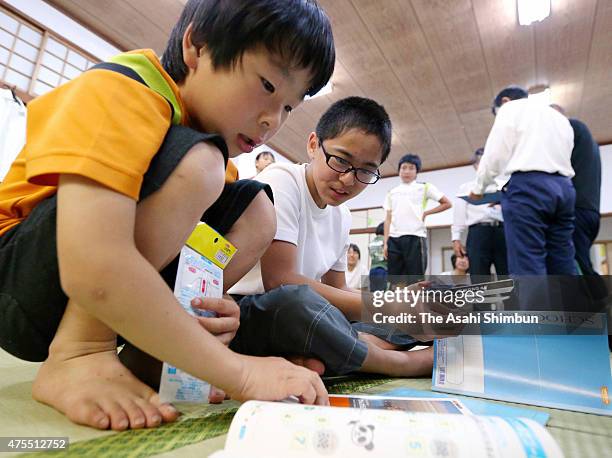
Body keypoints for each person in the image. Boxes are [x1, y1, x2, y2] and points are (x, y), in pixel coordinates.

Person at [0, 0, 335, 430]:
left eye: (290, 107)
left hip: (91, 293)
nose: (273, 120)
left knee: (256, 210)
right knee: (202, 166)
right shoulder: (122, 88)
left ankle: (149, 355)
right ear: (197, 46)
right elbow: (93, 263)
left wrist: (203, 311)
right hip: (18, 283)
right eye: (269, 85)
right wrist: (241, 374)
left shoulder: (201, 153)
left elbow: (179, 245)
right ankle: (80, 351)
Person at [230, 97, 435, 378]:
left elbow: (339, 288)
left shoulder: (342, 215)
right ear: (313, 145)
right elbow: (279, 280)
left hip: (310, 319)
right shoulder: (282, 179)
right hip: (260, 310)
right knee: (295, 303)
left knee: (428, 310)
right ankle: (395, 362)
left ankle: (342, 349)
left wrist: (394, 301)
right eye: (341, 160)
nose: (349, 180)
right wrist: (385, 307)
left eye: (365, 171)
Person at [470, 86, 575, 275]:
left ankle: (534, 306)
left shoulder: (510, 109)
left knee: (527, 263)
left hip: (529, 188)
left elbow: (494, 155)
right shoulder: (559, 118)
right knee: (562, 259)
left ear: (504, 101)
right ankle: (572, 305)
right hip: (565, 188)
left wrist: (479, 188)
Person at [550, 105, 602, 275]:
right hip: (588, 210)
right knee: (578, 262)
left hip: (577, 212)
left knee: (578, 266)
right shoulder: (583, 136)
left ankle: (601, 299)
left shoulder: (572, 128)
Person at [384, 154, 452, 278]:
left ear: (417, 171)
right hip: (394, 239)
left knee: (416, 279)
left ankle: (416, 298)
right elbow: (388, 219)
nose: (406, 171)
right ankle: (397, 298)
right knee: (395, 280)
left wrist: (426, 213)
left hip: (415, 237)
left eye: (411, 168)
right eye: (403, 168)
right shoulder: (392, 192)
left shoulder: (425, 187)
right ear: (399, 170)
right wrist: (385, 242)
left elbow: (447, 203)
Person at [451, 148, 507, 276]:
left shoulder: (505, 186)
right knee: (479, 276)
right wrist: (456, 239)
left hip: (502, 232)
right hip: (478, 234)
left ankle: (512, 297)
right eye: (482, 163)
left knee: (508, 275)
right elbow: (458, 216)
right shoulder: (465, 188)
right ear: (475, 166)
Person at [368, 222, 387, 291]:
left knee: (374, 293)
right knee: (384, 293)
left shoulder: (371, 242)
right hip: (383, 269)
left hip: (372, 270)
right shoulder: (385, 241)